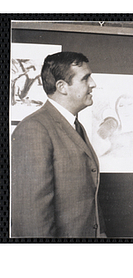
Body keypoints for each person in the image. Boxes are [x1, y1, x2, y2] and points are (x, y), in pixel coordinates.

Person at [11, 52, 106, 238]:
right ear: (62, 87)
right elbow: (32, 220)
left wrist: (100, 233)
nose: (93, 84)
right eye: (85, 78)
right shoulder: (34, 129)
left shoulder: (75, 125)